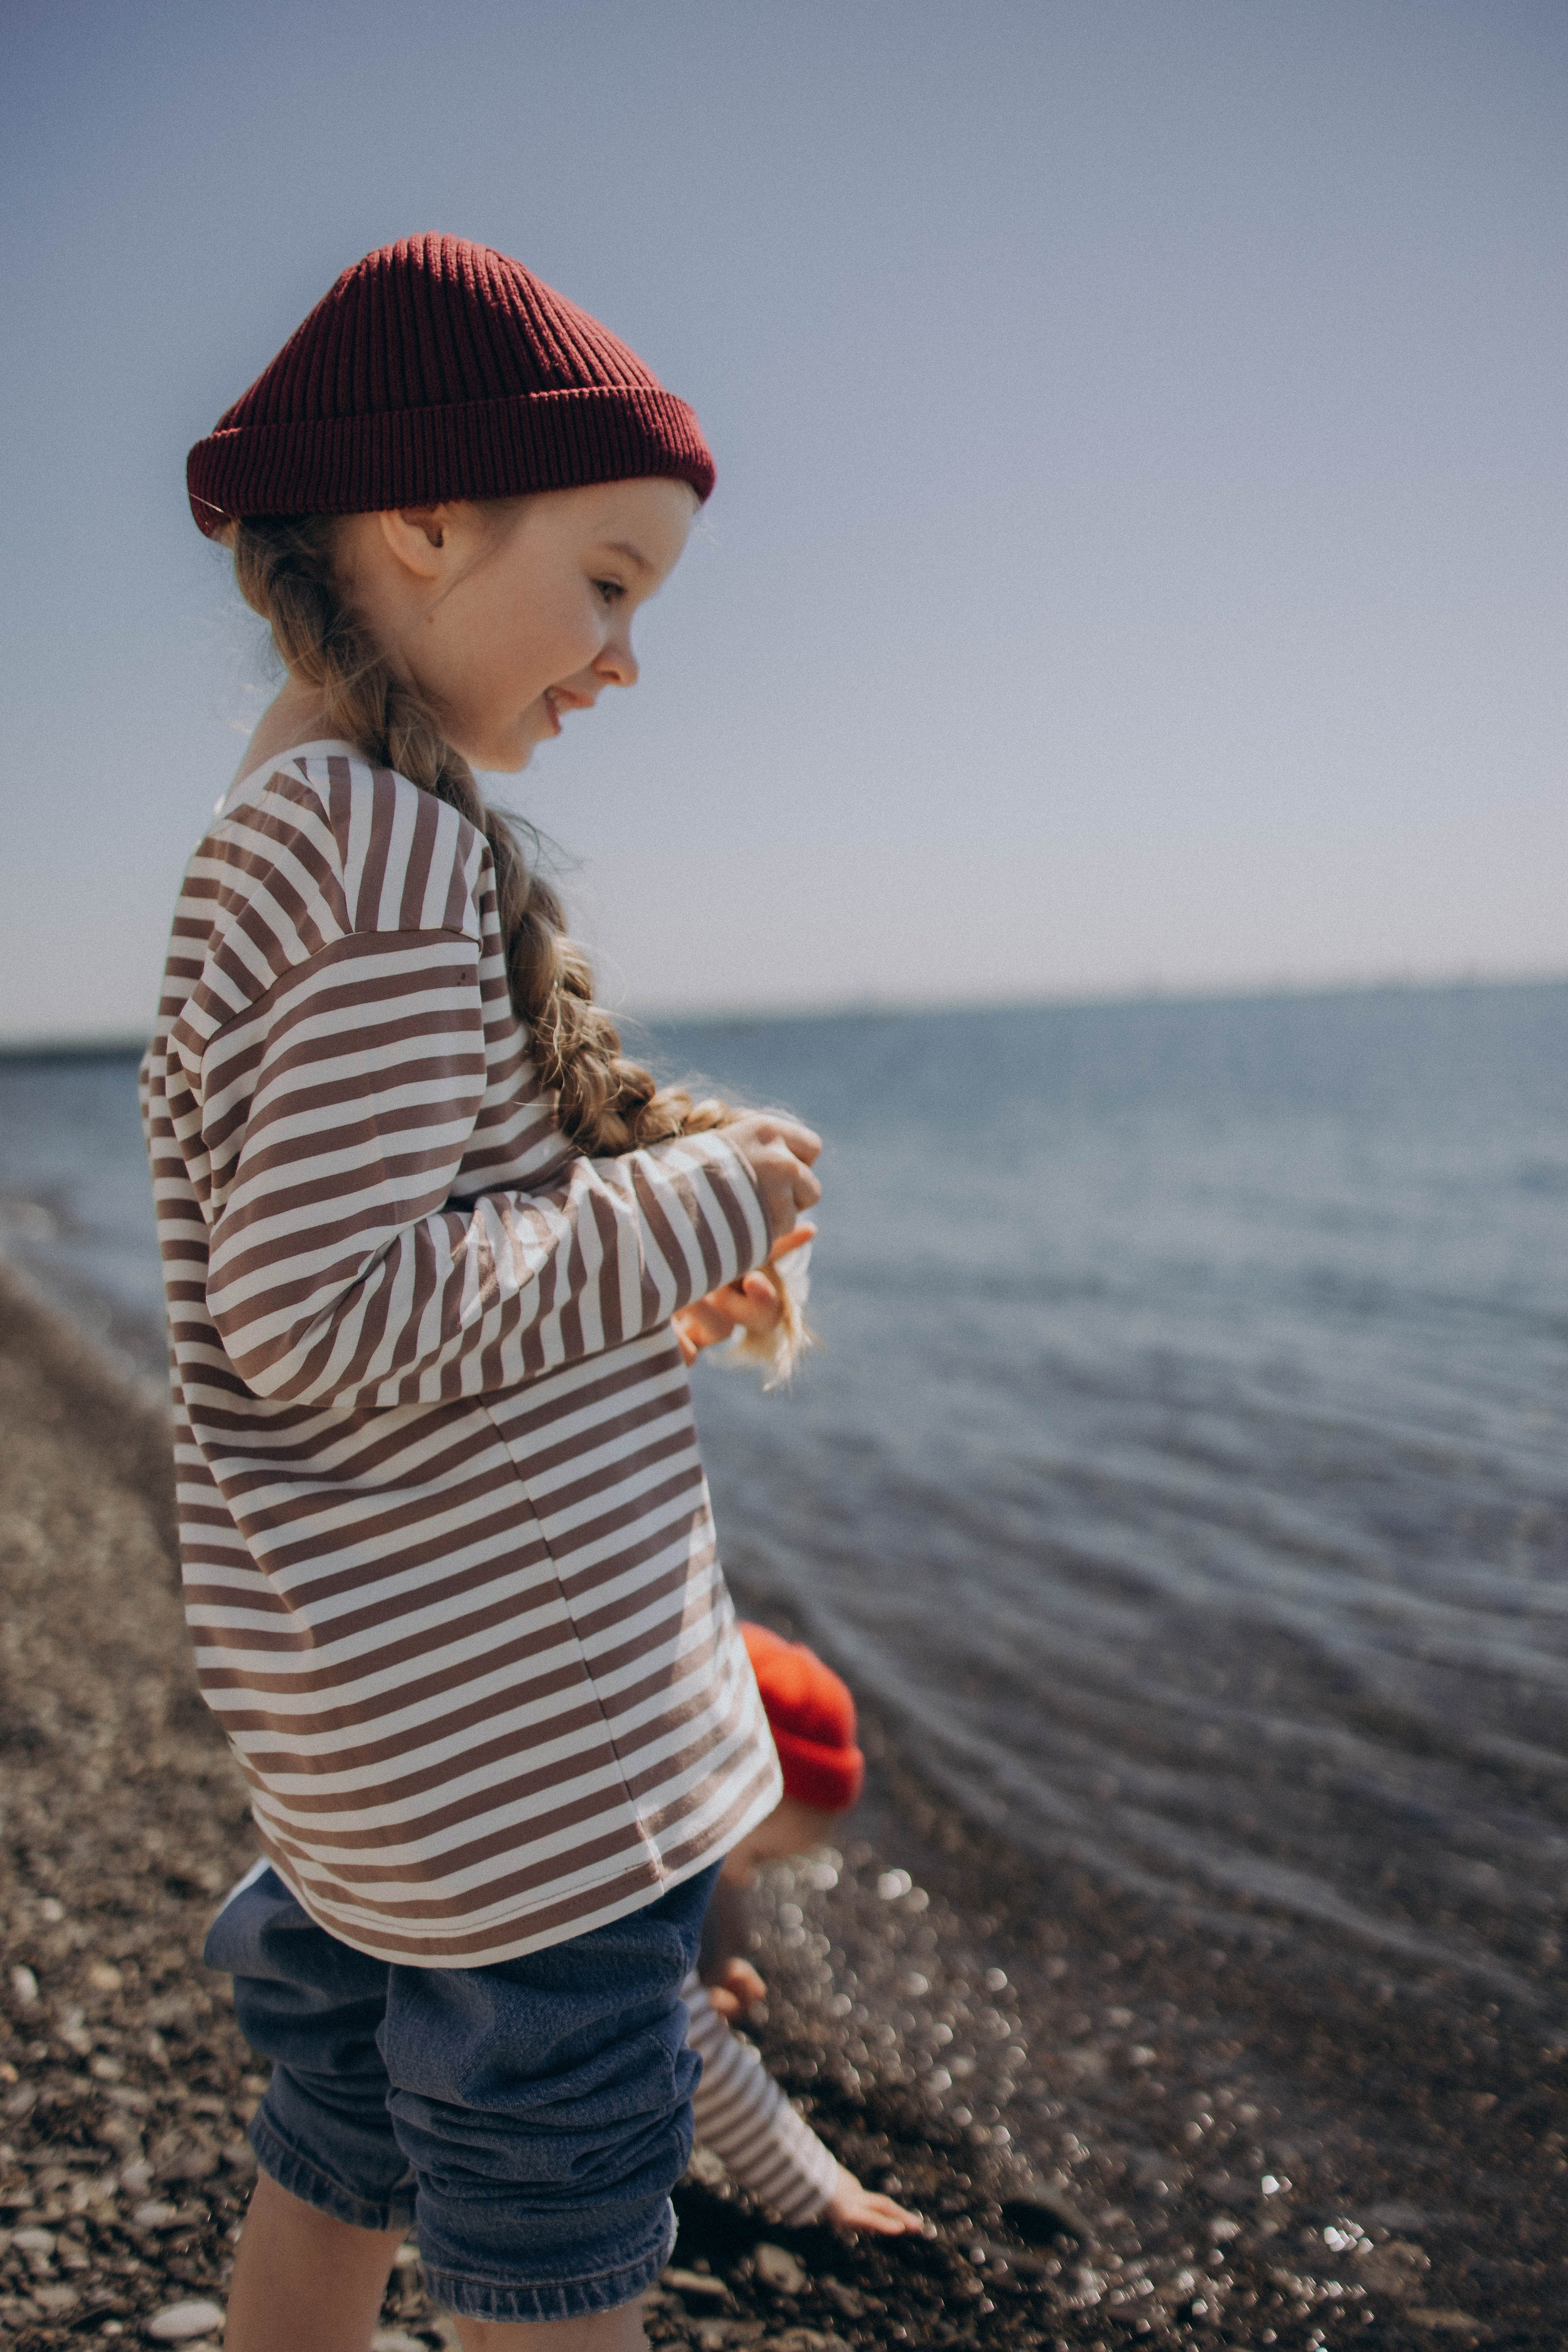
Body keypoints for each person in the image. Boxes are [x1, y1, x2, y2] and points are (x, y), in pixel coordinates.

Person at [141, 235, 823, 2352]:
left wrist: (624, 1220)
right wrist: (695, 1214)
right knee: (548, 2265)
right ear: (424, 526)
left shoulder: (289, 826)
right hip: (536, 1787)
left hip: (388, 1771)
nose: (623, 657)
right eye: (610, 582)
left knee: (334, 2169)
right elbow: (329, 1308)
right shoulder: (385, 850)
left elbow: (408, 1223)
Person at [682, 1624, 922, 2236]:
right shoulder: (625, 1897)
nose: (747, 1879)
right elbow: (691, 2050)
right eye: (758, 1857)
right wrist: (819, 2183)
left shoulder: (675, 1816)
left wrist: (711, 1964)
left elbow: (721, 1883)